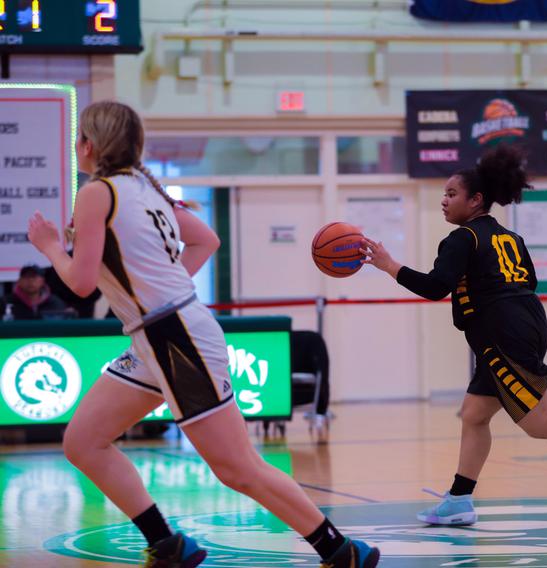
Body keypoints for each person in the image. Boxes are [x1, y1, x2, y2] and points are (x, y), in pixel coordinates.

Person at [26, 101, 379, 568]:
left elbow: (82, 284)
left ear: (89, 145)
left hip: (175, 337)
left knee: (237, 468)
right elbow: (206, 239)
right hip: (159, 334)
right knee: (83, 441)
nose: (76, 147)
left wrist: (52, 246)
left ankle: (341, 550)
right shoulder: (145, 189)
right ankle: (167, 544)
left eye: (78, 140)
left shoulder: (97, 193)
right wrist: (162, 292)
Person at [361, 144, 547, 526]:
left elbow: (436, 287)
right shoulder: (510, 237)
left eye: (452, 194)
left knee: (539, 422)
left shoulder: (463, 239)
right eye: (443, 194)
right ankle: (459, 499)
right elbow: (528, 280)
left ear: (476, 199)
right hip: (525, 322)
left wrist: (390, 266)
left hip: (502, 333)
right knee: (474, 414)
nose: (444, 201)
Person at [1, 264, 72, 320]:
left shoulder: (55, 302)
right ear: (19, 281)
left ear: (42, 281)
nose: (30, 281)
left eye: (34, 277)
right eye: (26, 277)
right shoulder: (5, 302)